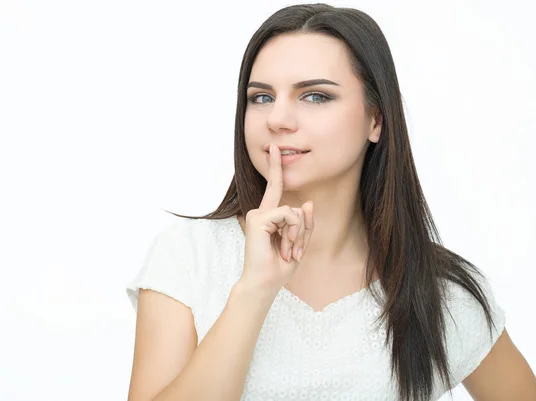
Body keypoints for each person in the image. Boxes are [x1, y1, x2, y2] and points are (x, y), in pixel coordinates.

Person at [125, 4, 536, 401]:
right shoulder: (188, 257)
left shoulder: (440, 292)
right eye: (262, 97)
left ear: (376, 120)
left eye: (316, 96)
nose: (278, 119)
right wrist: (253, 291)